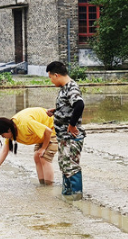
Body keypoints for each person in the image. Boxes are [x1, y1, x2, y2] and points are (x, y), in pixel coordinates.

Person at [0, 107, 57, 185]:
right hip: (42, 133)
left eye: (2, 134)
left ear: (8, 130)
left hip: (53, 128)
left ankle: (48, 187)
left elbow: (48, 131)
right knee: (36, 156)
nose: (3, 137)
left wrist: (43, 148)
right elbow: (5, 151)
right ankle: (42, 185)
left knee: (44, 157)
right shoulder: (11, 130)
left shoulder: (25, 124)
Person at [46, 61, 86, 200]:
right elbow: (69, 106)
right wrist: (56, 111)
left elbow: (79, 104)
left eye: (50, 77)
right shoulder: (64, 88)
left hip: (71, 136)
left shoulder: (72, 87)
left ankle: (76, 197)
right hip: (63, 136)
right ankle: (67, 195)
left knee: (71, 166)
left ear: (56, 75)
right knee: (64, 165)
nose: (51, 81)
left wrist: (72, 125)